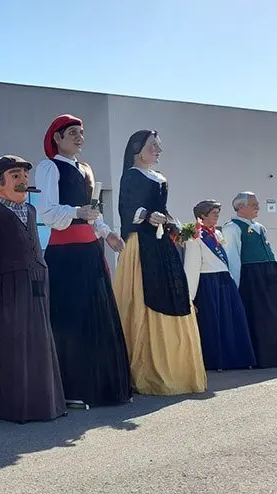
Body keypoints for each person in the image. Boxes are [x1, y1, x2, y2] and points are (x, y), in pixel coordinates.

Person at [34, 114, 131, 408]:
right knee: (70, 317)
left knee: (96, 315)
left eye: (81, 132)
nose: (79, 137)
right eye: (72, 132)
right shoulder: (49, 167)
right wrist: (78, 213)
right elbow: (47, 213)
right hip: (65, 253)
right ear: (57, 138)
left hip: (90, 250)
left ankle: (101, 386)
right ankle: (70, 386)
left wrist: (108, 234)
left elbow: (93, 212)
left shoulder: (86, 169)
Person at [0, 155, 66, 423]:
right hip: (5, 288)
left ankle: (43, 403)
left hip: (36, 285)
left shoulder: (31, 211)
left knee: (38, 341)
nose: (24, 181)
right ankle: (12, 407)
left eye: (25, 176)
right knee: (13, 342)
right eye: (15, 176)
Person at [112, 130, 206, 395]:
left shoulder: (161, 178)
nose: (158, 150)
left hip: (161, 243)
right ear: (137, 149)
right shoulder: (131, 175)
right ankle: (147, 367)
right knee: (143, 297)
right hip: (141, 245)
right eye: (153, 146)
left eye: (159, 146)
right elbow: (126, 208)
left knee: (174, 295)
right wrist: (145, 215)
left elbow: (163, 210)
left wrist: (174, 225)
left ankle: (177, 368)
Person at [222, 192, 277, 368]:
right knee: (262, 317)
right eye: (253, 204)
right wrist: (236, 285)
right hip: (252, 277)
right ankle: (264, 357)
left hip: (271, 273)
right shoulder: (232, 228)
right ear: (241, 207)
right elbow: (233, 257)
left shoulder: (260, 227)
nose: (257, 207)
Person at [183, 200, 255, 370]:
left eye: (217, 212)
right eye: (214, 213)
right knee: (213, 324)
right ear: (202, 215)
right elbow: (192, 267)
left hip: (224, 280)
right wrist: (190, 297)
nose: (217, 216)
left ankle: (237, 359)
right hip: (208, 282)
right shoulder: (195, 237)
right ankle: (216, 361)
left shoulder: (218, 234)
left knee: (232, 319)